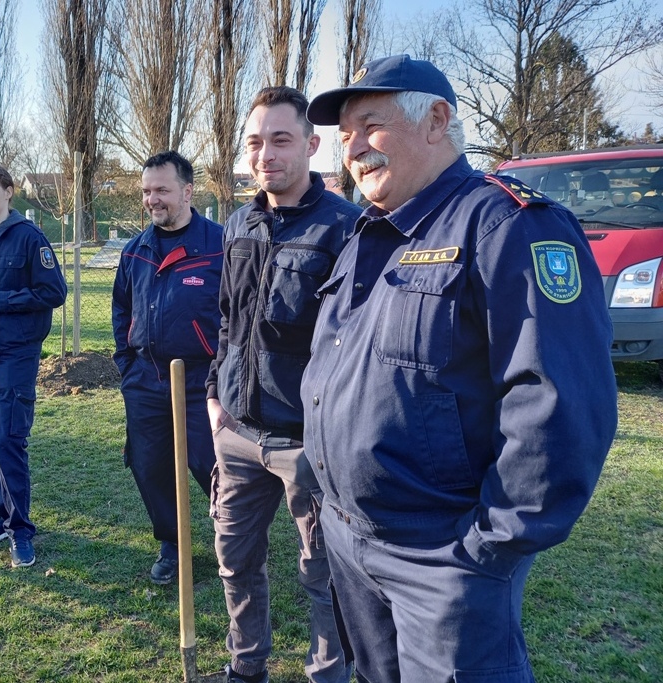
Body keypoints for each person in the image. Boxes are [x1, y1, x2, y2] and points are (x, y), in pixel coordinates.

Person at [301, 54, 617, 682]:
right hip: (350, 540)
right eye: (345, 136)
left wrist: (486, 547)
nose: (354, 149)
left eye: (370, 125)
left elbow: (558, 401)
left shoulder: (506, 225)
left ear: (437, 120)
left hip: (442, 558)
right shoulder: (372, 232)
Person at [205, 86, 361, 683]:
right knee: (234, 561)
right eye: (254, 142)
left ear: (312, 145)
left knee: (323, 575)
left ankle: (328, 675)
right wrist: (216, 394)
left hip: (310, 444)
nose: (264, 154)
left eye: (280, 140)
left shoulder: (346, 229)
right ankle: (246, 669)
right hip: (238, 434)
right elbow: (228, 318)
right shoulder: (239, 224)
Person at [111, 151, 224, 584]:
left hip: (203, 382)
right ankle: (173, 545)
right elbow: (122, 309)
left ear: (187, 191)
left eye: (161, 189)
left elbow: (238, 313)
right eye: (145, 191)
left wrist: (223, 372)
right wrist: (126, 363)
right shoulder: (136, 251)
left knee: (212, 466)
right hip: (146, 380)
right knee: (149, 464)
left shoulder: (219, 245)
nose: (152, 199)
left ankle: (233, 542)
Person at [0, 163, 67, 568]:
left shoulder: (29, 238)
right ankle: (4, 516)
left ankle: (20, 529)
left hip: (17, 353)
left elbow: (54, 291)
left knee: (9, 437)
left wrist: (2, 298)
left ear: (9, 192)